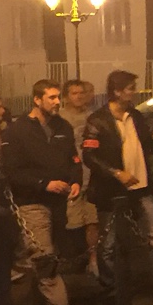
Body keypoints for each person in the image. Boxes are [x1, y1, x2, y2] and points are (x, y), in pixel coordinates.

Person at [83, 70, 153, 303]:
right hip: (112, 192)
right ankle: (111, 289)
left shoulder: (135, 116)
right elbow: (90, 155)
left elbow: (145, 148)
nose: (134, 92)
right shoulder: (97, 120)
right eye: (130, 88)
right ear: (117, 91)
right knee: (109, 241)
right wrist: (116, 173)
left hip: (142, 187)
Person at [0, 80, 78, 305]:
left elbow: (73, 159)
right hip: (31, 202)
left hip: (58, 203)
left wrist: (75, 180)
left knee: (47, 255)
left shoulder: (63, 127)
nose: (57, 102)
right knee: (45, 256)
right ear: (37, 99)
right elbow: (12, 171)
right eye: (52, 97)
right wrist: (44, 183)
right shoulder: (17, 131)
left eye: (58, 97)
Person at [59, 79, 101, 276]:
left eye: (81, 93)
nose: (78, 97)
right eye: (74, 93)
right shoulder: (59, 119)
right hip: (71, 178)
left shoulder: (93, 117)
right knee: (73, 223)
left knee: (93, 221)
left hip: (92, 176)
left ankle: (94, 259)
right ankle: (75, 261)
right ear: (66, 96)